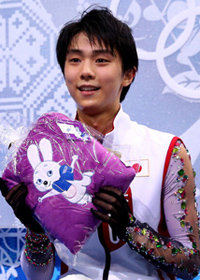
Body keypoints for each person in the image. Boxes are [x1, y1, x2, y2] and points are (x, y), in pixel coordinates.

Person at [0, 6, 200, 280]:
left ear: (128, 74)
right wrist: (35, 228)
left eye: (101, 60)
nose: (86, 72)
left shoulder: (168, 151)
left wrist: (129, 227)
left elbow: (190, 264)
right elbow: (38, 276)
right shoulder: (44, 151)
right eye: (74, 60)